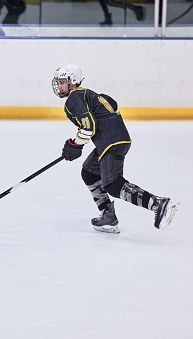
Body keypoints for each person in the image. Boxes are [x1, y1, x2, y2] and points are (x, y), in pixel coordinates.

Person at [52, 65, 179, 234]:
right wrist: (76, 143)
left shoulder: (74, 98)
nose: (59, 86)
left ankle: (157, 203)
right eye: (58, 82)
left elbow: (89, 127)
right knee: (89, 172)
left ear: (73, 82)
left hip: (111, 142)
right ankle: (108, 216)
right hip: (115, 140)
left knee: (112, 184)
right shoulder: (87, 94)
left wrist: (74, 143)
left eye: (62, 82)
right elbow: (111, 104)